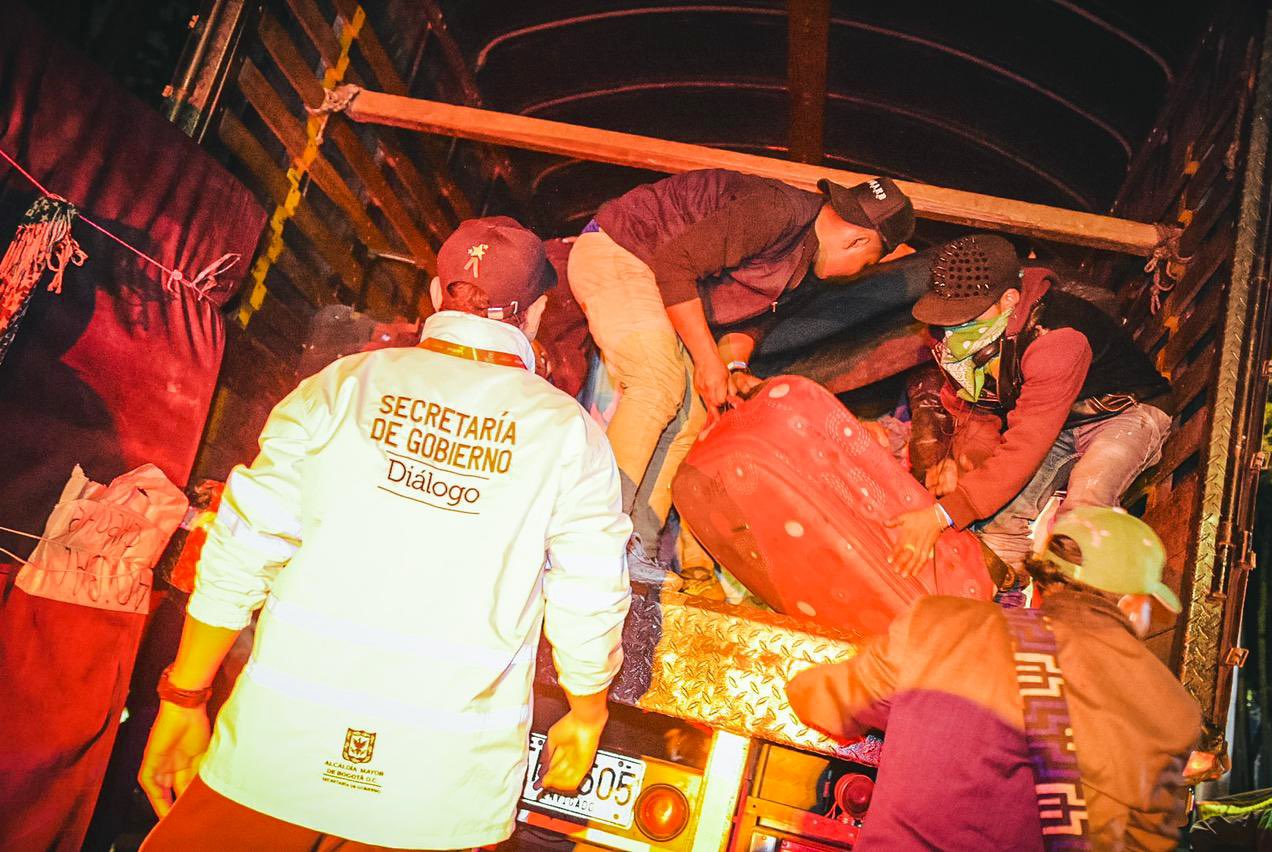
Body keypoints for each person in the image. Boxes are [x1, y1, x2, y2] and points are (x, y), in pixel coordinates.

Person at [137, 217, 633, 850]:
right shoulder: (566, 432)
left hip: (275, 754)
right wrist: (587, 712)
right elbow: (589, 594)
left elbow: (242, 545)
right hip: (437, 791)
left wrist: (185, 694)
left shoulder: (340, 388)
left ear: (433, 296)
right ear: (535, 314)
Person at [568, 168, 915, 578]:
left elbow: (746, 323)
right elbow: (675, 265)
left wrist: (732, 367)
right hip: (622, 250)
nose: (858, 270)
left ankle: (635, 548)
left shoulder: (805, 264)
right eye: (867, 261)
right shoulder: (777, 212)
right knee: (657, 383)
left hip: (657, 280)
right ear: (859, 240)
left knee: (694, 414)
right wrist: (707, 361)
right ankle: (586, 538)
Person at [788, 507, 1202, 850]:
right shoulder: (1174, 713)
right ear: (1130, 605)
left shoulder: (939, 623)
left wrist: (801, 684)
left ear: (1044, 582)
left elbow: (830, 706)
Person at [889, 234, 1173, 592]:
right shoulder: (965, 340)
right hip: (1059, 419)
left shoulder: (1056, 340)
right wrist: (958, 462)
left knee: (1085, 505)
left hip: (1124, 411)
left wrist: (941, 513)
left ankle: (1079, 610)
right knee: (996, 524)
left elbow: (1026, 444)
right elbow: (978, 410)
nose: (951, 329)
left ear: (1008, 300)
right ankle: (985, 595)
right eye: (947, 318)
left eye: (964, 318)